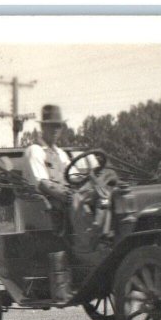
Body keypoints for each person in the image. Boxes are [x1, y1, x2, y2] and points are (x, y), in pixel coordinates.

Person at [22, 104, 106, 254]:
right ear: (43, 128)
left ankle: (103, 234)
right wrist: (64, 193)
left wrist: (90, 180)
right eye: (51, 126)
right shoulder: (34, 151)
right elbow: (41, 182)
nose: (55, 130)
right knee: (75, 198)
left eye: (58, 126)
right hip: (49, 200)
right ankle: (86, 244)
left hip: (68, 193)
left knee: (103, 191)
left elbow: (73, 175)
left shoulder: (60, 153)